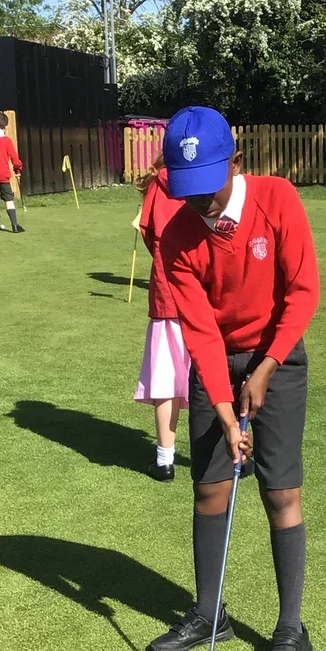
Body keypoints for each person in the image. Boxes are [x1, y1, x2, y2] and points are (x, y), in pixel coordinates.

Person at [149, 106, 320, 651]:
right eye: (188, 191)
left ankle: (291, 629)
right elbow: (198, 329)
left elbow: (302, 292)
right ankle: (208, 614)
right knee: (210, 490)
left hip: (278, 356)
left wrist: (267, 368)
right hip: (217, 364)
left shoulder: (278, 200)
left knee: (279, 492)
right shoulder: (176, 234)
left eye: (210, 188)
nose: (203, 203)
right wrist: (225, 411)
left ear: (237, 162)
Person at [133, 154, 192, 481]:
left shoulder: (157, 185)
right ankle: (222, 453)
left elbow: (147, 230)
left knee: (166, 379)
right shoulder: (205, 181)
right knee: (211, 375)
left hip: (168, 294)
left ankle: (164, 460)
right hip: (203, 293)